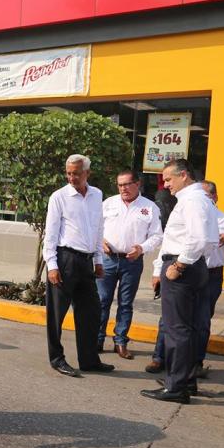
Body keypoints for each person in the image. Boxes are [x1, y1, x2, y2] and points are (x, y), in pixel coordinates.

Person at [146, 180, 224, 375]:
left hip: (209, 275)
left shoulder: (223, 220)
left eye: (204, 196)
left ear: (214, 198)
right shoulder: (186, 211)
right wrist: (157, 271)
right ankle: (160, 358)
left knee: (200, 322)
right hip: (179, 271)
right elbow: (168, 244)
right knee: (170, 320)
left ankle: (194, 365)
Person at [141, 160, 218, 404]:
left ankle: (176, 387)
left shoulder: (193, 200)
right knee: (189, 328)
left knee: (177, 330)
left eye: (168, 179)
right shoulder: (198, 199)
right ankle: (185, 381)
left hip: (183, 269)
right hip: (193, 268)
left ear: (183, 175)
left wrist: (179, 265)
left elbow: (198, 239)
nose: (165, 184)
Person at [42, 154, 114, 378]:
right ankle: (57, 359)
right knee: (57, 315)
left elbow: (98, 229)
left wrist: (99, 260)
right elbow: (51, 234)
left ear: (87, 174)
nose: (71, 177)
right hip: (65, 260)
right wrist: (52, 266)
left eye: (76, 173)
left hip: (87, 261)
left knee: (91, 313)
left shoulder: (97, 195)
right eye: (68, 173)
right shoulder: (59, 197)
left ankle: (89, 360)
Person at [97, 170, 162, 359]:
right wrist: (100, 241)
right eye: (120, 185)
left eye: (127, 184)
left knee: (125, 304)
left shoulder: (149, 207)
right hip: (108, 259)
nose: (123, 188)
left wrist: (141, 248)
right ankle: (97, 339)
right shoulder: (108, 204)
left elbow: (157, 235)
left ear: (138, 183)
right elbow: (94, 227)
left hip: (132, 262)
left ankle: (120, 342)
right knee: (102, 301)